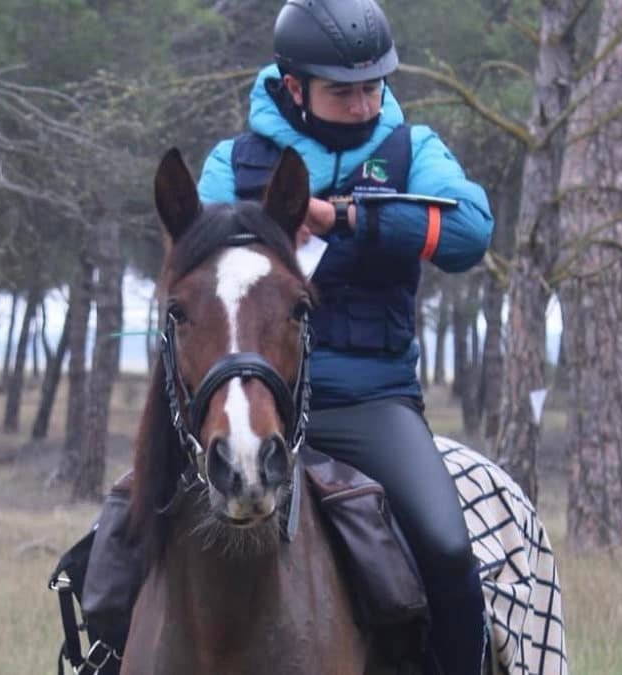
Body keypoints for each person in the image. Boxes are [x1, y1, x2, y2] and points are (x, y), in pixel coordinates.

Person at [196, 1, 494, 674]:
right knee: (122, 528)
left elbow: (470, 232)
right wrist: (264, 225)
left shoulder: (412, 150)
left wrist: (347, 219)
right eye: (343, 91)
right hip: (244, 398)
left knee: (447, 548)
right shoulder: (230, 163)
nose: (363, 105)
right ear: (293, 86)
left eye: (372, 86)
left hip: (368, 401)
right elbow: (200, 255)